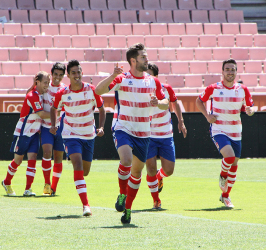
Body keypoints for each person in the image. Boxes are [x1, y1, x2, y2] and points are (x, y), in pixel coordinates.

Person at [95, 43, 169, 224]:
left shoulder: (153, 81)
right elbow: (98, 91)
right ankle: (122, 193)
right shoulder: (121, 79)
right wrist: (112, 75)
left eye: (146, 56)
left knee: (137, 173)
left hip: (144, 132)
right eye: (143, 57)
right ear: (133, 61)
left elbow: (165, 103)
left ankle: (127, 209)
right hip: (123, 128)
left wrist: (157, 103)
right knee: (126, 160)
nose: (147, 59)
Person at [195, 59, 255, 208]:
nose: (230, 72)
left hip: (236, 131)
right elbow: (199, 101)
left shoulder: (243, 89)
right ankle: (223, 176)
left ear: (236, 72)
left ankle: (225, 196)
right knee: (229, 157)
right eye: (227, 69)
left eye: (232, 69)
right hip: (219, 129)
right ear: (222, 72)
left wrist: (250, 111)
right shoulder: (213, 88)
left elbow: (251, 107)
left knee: (234, 164)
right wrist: (208, 116)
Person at [50, 59, 106, 217]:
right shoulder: (62, 93)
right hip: (70, 135)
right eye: (73, 72)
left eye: (78, 72)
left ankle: (79, 179)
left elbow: (102, 110)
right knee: (77, 165)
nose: (76, 75)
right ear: (68, 75)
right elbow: (54, 109)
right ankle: (86, 205)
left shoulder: (92, 90)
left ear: (82, 73)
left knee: (85, 171)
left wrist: (100, 127)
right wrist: (54, 126)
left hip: (89, 135)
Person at [145, 62, 187, 210]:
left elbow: (174, 104)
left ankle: (159, 176)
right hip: (148, 135)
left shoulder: (166, 89)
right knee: (150, 168)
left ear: (156, 77)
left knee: (169, 170)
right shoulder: (139, 90)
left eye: (150, 74)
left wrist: (180, 122)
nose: (147, 77)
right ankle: (156, 199)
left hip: (165, 135)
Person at [2, 71, 51, 196]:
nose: (47, 85)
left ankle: (28, 189)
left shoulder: (41, 94)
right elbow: (42, 114)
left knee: (32, 159)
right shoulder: (32, 96)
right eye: (45, 82)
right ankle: (6, 182)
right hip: (23, 133)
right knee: (18, 160)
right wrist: (59, 112)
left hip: (34, 133)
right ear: (38, 82)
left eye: (48, 82)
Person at [40, 63, 66, 196]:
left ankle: (53, 188)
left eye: (61, 75)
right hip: (46, 126)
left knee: (58, 157)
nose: (57, 77)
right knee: (47, 153)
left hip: (61, 128)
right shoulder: (45, 87)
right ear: (51, 74)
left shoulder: (65, 89)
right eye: (55, 74)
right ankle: (47, 183)